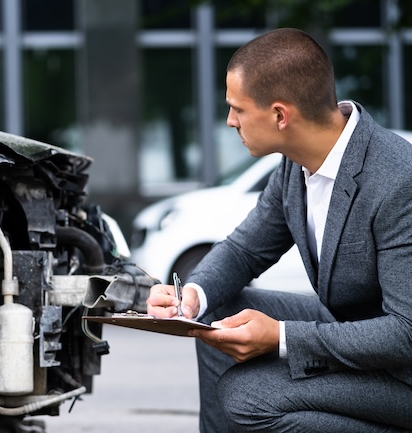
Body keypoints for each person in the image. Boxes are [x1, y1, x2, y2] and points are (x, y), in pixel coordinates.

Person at [146, 28, 412, 433]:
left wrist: (282, 337)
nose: (230, 121)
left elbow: (406, 334)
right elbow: (243, 250)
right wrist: (190, 300)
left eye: (237, 108)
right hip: (352, 333)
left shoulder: (397, 179)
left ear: (279, 115)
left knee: (247, 396)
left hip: (403, 374)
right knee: (220, 311)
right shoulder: (294, 166)